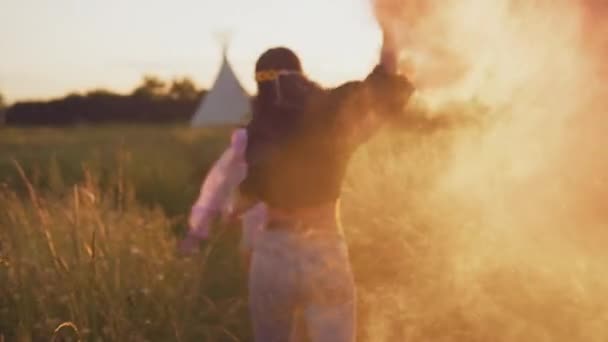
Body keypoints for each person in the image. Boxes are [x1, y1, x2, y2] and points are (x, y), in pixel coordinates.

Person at [180, 26, 414, 342]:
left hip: (272, 254)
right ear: (300, 75)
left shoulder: (258, 132)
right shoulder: (334, 114)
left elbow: (243, 201)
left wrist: (227, 211)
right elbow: (383, 81)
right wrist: (390, 33)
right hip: (325, 250)